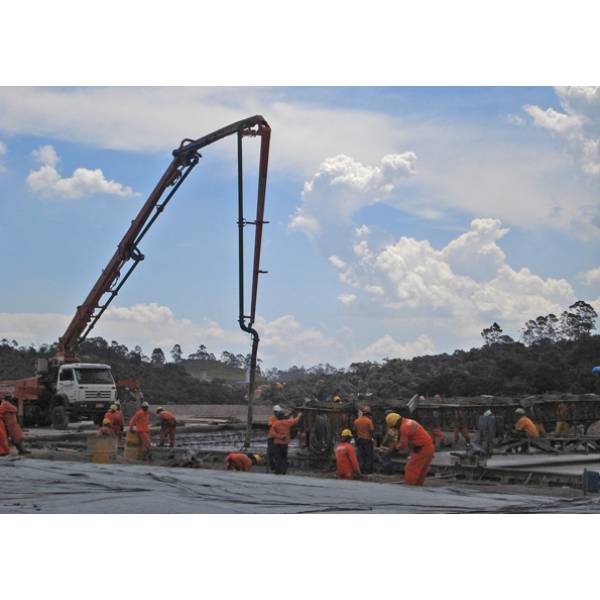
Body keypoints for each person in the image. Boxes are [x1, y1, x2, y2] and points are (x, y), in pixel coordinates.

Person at [386, 412, 435, 486]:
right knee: (421, 470)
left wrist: (394, 450)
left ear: (396, 423)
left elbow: (403, 444)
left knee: (411, 468)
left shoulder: (404, 427)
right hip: (428, 446)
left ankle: (410, 488)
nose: (395, 428)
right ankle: (418, 487)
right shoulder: (408, 422)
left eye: (394, 427)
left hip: (422, 448)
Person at [271, 409, 302, 474]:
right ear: (283, 416)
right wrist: (299, 415)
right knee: (284, 458)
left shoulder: (275, 424)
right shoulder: (287, 422)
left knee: (278, 458)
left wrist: (280, 437)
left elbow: (272, 434)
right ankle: (283, 471)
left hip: (277, 444)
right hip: (285, 444)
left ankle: (277, 471)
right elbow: (295, 421)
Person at [353, 406, 374, 474]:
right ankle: (367, 470)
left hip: (359, 440)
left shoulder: (356, 421)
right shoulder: (369, 421)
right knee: (368, 456)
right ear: (368, 414)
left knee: (360, 455)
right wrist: (372, 439)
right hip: (367, 440)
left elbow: (354, 431)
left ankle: (361, 469)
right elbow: (371, 431)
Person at [266, 405, 282, 472]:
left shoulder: (281, 418)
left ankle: (277, 466)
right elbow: (270, 425)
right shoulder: (272, 418)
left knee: (277, 452)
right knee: (271, 452)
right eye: (276, 412)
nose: (276, 413)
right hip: (272, 437)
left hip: (277, 437)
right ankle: (273, 466)